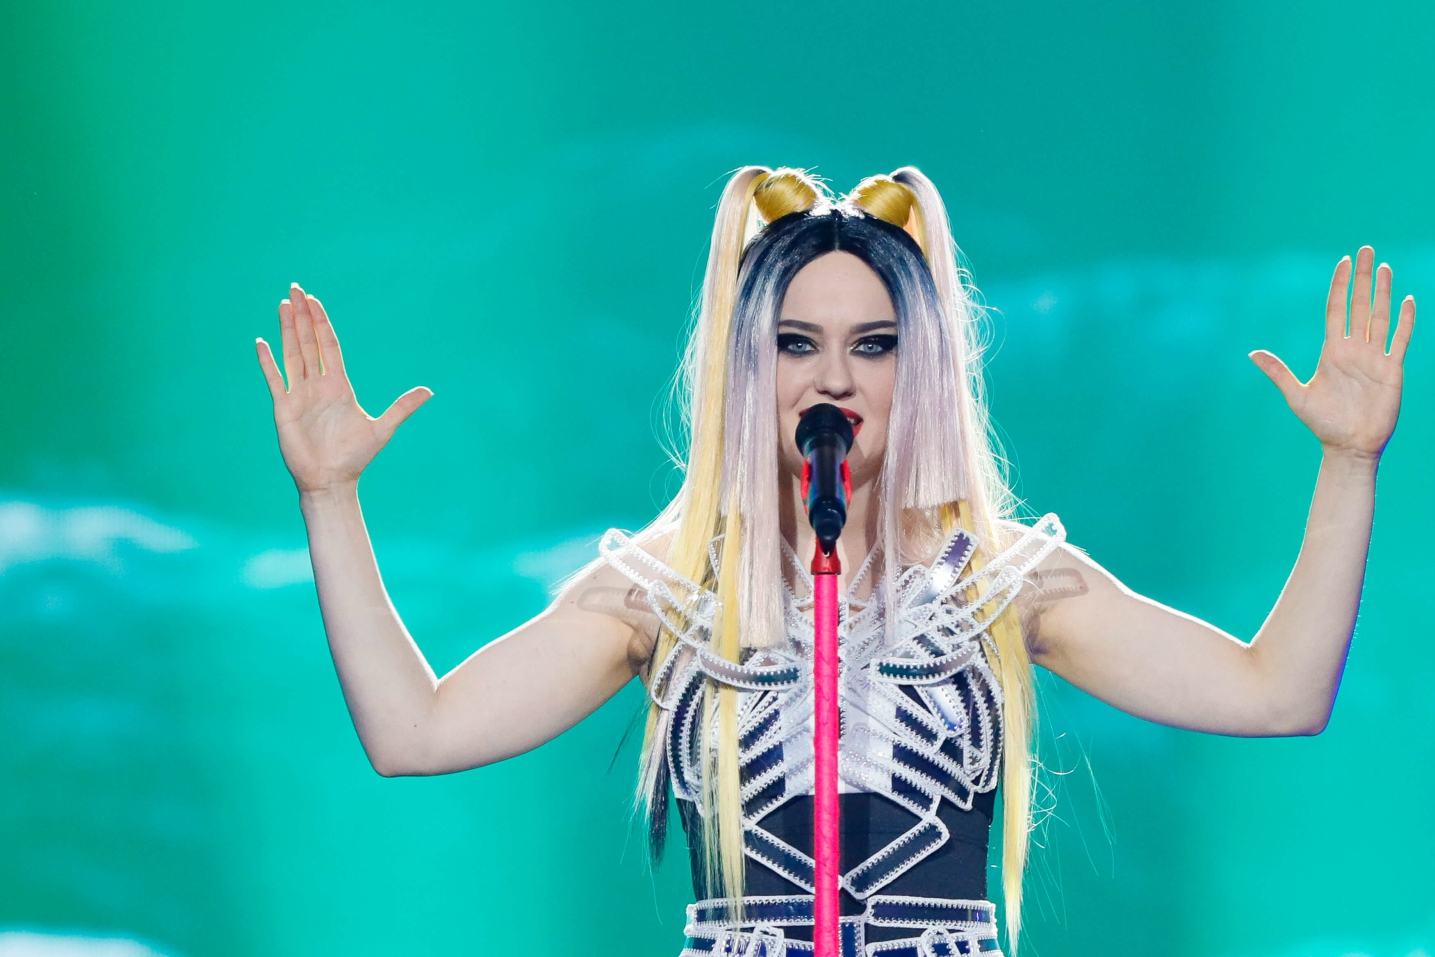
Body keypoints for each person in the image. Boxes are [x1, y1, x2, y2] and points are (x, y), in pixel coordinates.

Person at [254, 166, 1415, 956]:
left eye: (875, 344)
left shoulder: (1002, 584)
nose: (834, 379)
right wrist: (329, 497)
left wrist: (1349, 463)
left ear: (925, 366)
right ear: (745, 365)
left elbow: (1277, 694)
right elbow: (415, 734)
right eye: (796, 342)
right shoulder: (662, 594)